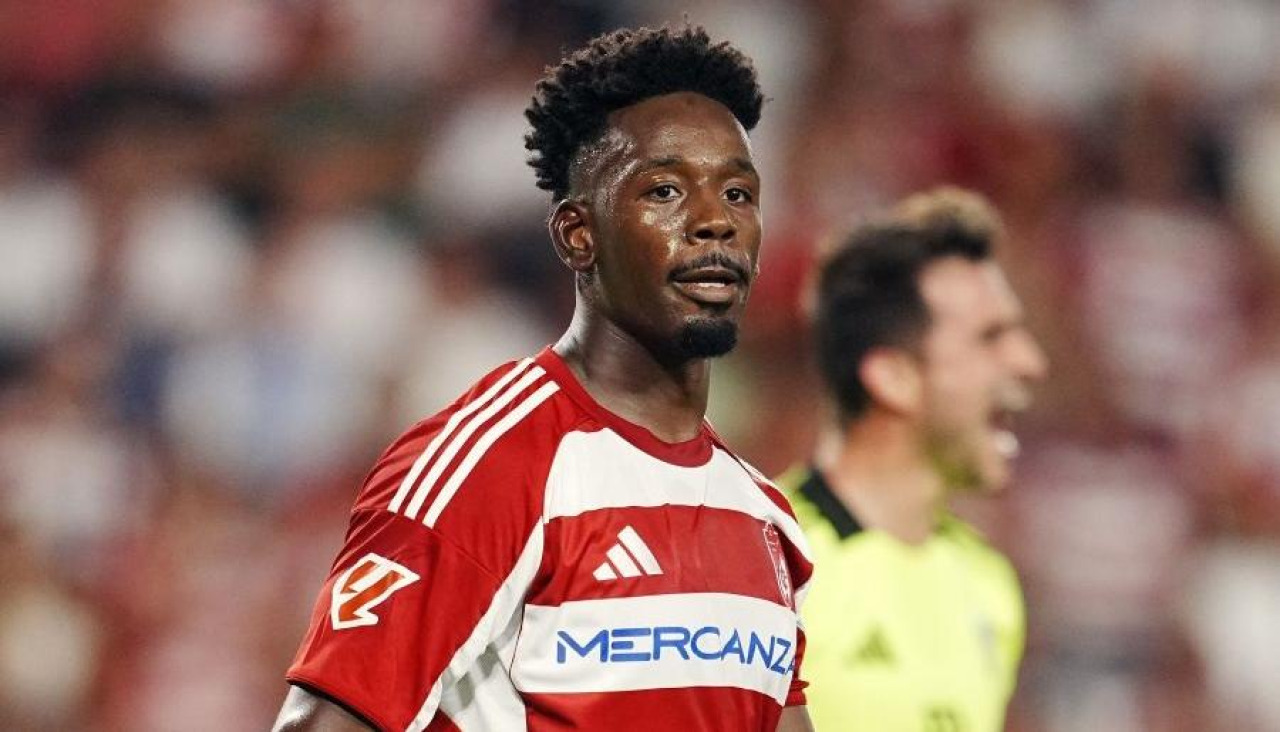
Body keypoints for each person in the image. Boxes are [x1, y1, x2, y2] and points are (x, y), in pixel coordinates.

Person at [272, 26, 815, 732]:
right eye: (665, 190)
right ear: (577, 234)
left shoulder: (763, 515)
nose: (715, 221)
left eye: (739, 193)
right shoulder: (491, 466)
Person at [777, 188, 1047, 732]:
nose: (1030, 362)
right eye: (990, 337)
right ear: (894, 377)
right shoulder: (768, 561)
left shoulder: (989, 584)